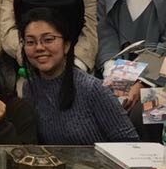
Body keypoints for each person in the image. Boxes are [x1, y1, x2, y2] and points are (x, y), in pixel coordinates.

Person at [18, 10, 137, 145]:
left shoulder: (92, 89)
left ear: (67, 45)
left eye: (48, 40)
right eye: (30, 42)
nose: (39, 47)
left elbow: (130, 143)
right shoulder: (29, 88)